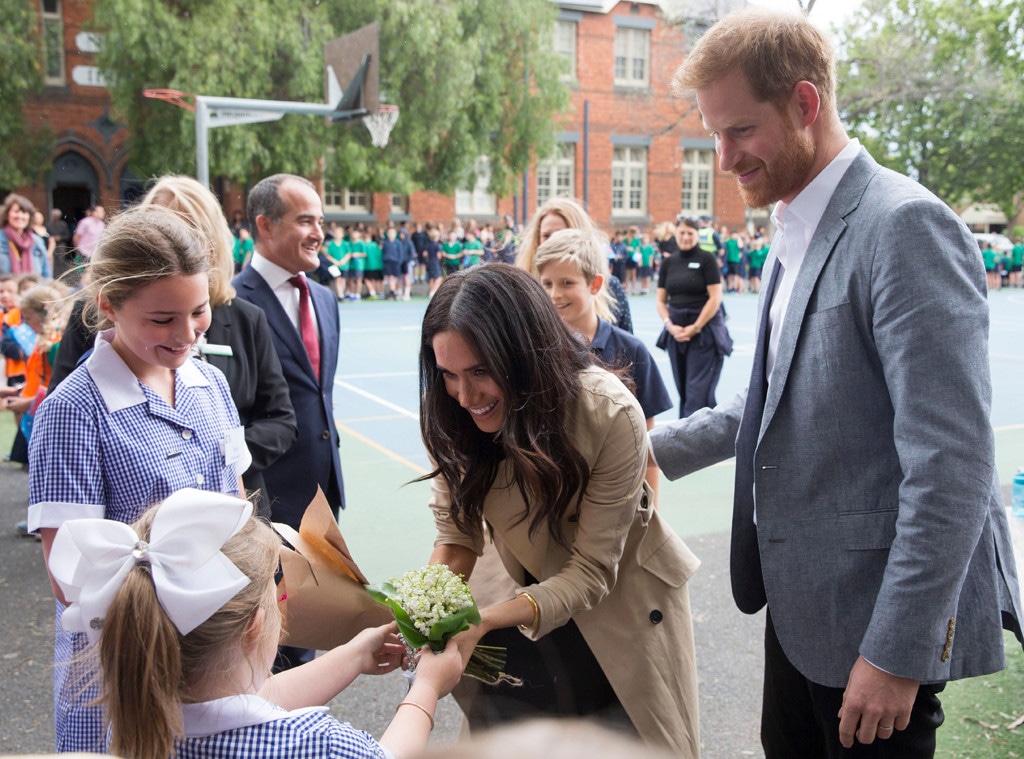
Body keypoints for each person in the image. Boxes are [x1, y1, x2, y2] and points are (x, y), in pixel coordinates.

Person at [650, 9, 1023, 757]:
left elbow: (952, 467)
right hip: (801, 612)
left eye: (739, 132)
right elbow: (766, 403)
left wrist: (896, 654)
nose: (723, 159)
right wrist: (642, 444)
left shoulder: (903, 225)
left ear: (805, 104)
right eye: (714, 134)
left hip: (874, 634)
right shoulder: (795, 226)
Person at [419, 264, 700, 758]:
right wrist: (422, 612)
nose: (465, 397)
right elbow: (456, 537)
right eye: (448, 375)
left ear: (524, 355)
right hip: (517, 593)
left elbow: (591, 572)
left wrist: (482, 622)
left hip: (621, 599)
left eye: (481, 372)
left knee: (630, 737)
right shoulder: (451, 416)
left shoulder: (607, 411)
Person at [26, 205, 251, 752]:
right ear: (108, 304)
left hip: (213, 660)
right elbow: (71, 578)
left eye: (198, 312)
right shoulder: (73, 412)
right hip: (124, 672)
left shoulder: (209, 385)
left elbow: (237, 508)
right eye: (161, 319)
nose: (187, 335)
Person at [47, 489, 465, 759]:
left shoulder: (137, 714)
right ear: (255, 626)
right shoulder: (313, 744)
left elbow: (257, 699)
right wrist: (426, 688)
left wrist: (353, 655)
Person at [137, 176, 298, 518]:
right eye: (163, 227)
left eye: (189, 229)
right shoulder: (103, 320)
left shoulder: (244, 319)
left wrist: (219, 455)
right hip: (143, 519)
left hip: (235, 508)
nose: (175, 241)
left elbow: (279, 420)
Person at [232, 174, 344, 526]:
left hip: (325, 490)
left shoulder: (325, 299)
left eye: (320, 221)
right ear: (265, 226)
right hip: (268, 497)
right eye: (305, 221)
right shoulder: (231, 304)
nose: (318, 233)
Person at [534, 227, 672, 503]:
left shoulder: (631, 350)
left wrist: (651, 506)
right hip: (552, 497)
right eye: (547, 284)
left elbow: (646, 441)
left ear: (595, 285)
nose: (554, 294)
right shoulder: (533, 349)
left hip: (615, 498)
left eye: (566, 283)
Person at [516, 197, 633, 333]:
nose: (554, 241)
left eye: (561, 234)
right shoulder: (521, 291)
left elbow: (628, 345)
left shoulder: (611, 288)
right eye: (546, 236)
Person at [655, 217, 733, 418]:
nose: (686, 237)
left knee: (697, 395)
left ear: (697, 235)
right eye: (682, 232)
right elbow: (661, 301)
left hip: (703, 332)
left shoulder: (707, 259)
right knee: (684, 391)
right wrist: (669, 325)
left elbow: (715, 298)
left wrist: (696, 327)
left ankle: (695, 444)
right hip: (676, 332)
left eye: (690, 233)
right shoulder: (669, 263)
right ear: (676, 234)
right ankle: (697, 440)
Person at [0, 194, 52, 277]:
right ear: (7, 214)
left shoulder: (37, 241)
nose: (20, 216)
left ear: (29, 216)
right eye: (16, 212)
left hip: (34, 289)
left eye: (24, 212)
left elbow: (46, 274)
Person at [46, 208, 74, 281]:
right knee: (53, 262)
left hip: (61, 245)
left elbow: (68, 235)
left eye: (57, 215)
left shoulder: (63, 224)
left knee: (61, 261)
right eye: (54, 215)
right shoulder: (49, 225)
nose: (55, 217)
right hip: (52, 245)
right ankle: (54, 277)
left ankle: (63, 276)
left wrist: (60, 237)